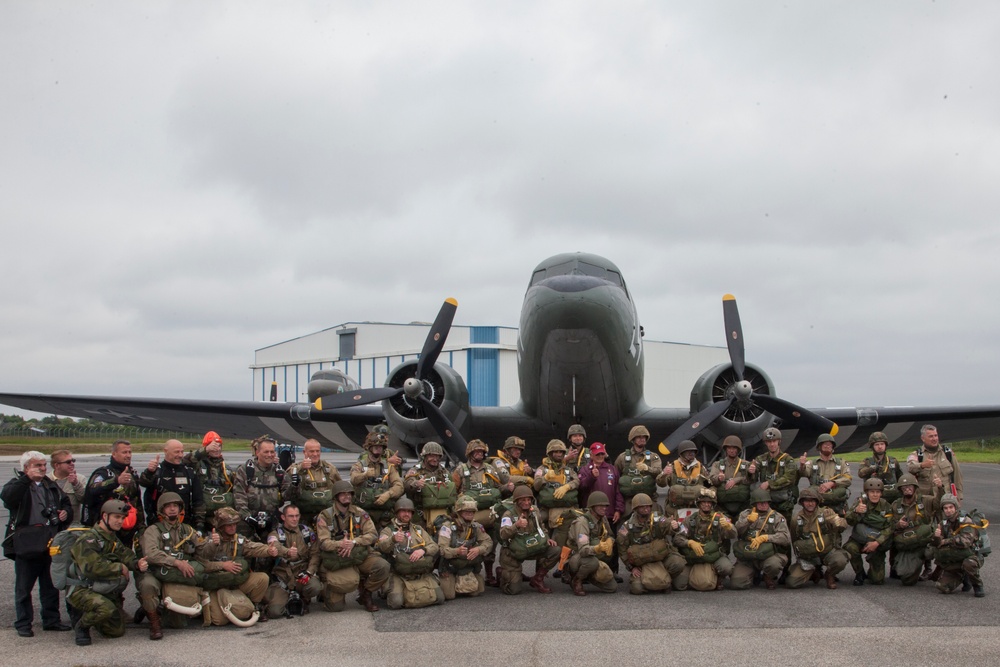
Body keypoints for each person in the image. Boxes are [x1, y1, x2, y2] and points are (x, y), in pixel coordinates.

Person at [2, 451, 72, 637]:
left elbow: (66, 503)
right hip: (27, 543)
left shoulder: (51, 485)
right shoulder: (16, 484)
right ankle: (23, 623)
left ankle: (51, 620)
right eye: (37, 465)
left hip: (49, 541)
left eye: (43, 465)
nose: (42, 468)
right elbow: (8, 498)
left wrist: (65, 513)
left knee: (50, 585)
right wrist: (26, 479)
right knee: (24, 587)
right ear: (26, 468)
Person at [68, 499, 150, 646]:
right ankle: (82, 626)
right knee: (105, 609)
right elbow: (92, 568)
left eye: (122, 518)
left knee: (115, 632)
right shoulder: (88, 540)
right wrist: (120, 568)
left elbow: (125, 554)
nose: (120, 521)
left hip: (101, 587)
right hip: (82, 589)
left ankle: (97, 614)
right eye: (116, 517)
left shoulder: (111, 538)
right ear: (105, 516)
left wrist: (136, 564)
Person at [137, 492, 210, 640]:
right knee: (147, 585)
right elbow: (151, 554)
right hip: (157, 571)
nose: (172, 509)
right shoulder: (153, 530)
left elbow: (202, 551)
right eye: (168, 506)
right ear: (161, 510)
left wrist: (213, 543)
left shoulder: (187, 530)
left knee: (179, 624)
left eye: (175, 506)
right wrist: (176, 562)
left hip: (177, 573)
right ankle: (154, 621)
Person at [316, 481, 390, 612]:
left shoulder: (360, 513)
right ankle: (327, 588)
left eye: (349, 494)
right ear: (335, 497)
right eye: (343, 494)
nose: (347, 497)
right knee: (335, 607)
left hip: (359, 555)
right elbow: (323, 542)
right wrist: (340, 544)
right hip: (339, 558)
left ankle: (366, 594)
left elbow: (372, 535)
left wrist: (354, 542)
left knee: (383, 566)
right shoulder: (325, 516)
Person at [198, 506, 280, 622]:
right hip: (216, 585)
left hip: (236, 582)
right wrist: (222, 565)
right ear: (221, 526)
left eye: (235, 524)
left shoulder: (239, 540)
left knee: (262, 578)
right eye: (229, 525)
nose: (233, 528)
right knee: (219, 620)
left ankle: (254, 606)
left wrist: (268, 550)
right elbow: (201, 563)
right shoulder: (210, 540)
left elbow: (253, 547)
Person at [452, 439, 508, 587]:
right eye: (476, 451)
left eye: (481, 452)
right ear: (470, 453)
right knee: (467, 543)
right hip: (469, 515)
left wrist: (508, 487)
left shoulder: (490, 469)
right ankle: (467, 572)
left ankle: (489, 574)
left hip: (490, 511)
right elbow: (453, 491)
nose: (479, 454)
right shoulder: (460, 470)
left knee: (491, 543)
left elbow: (499, 488)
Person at [376, 497, 443, 609]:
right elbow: (380, 547)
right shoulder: (388, 530)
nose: (406, 514)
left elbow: (434, 546)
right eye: (403, 511)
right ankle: (387, 589)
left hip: (420, 572)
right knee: (396, 603)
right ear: (397, 512)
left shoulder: (419, 529)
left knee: (440, 598)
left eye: (409, 511)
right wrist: (392, 539)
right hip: (399, 574)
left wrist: (423, 550)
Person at [496, 485, 560, 595]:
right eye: (523, 500)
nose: (527, 502)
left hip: (531, 545)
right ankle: (502, 572)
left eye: (529, 500)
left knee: (556, 550)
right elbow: (503, 534)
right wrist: (516, 525)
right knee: (513, 590)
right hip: (513, 551)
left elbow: (541, 527)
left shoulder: (534, 511)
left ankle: (537, 579)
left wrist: (547, 538)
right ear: (517, 501)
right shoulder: (509, 514)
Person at [616, 492, 685, 594]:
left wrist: (674, 526)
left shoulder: (657, 518)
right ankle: (656, 583)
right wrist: (632, 568)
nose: (646, 509)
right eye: (642, 507)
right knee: (637, 589)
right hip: (642, 562)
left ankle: (665, 580)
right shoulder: (627, 526)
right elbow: (622, 547)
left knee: (678, 563)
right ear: (635, 509)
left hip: (661, 557)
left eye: (648, 506)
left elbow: (666, 525)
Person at [82, 439, 145, 547]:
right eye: (124, 452)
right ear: (114, 454)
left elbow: (136, 500)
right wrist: (116, 481)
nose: (128, 455)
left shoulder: (132, 474)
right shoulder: (103, 473)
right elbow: (92, 489)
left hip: (127, 530)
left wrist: (141, 526)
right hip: (106, 530)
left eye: (130, 452)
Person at [264, 502, 322, 618]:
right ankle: (286, 599)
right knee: (274, 612)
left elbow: (315, 554)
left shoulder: (307, 532)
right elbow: (274, 545)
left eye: (297, 516)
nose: (295, 519)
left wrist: (310, 572)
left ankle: (303, 598)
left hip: (301, 574)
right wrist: (287, 552)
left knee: (315, 587)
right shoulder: (275, 533)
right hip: (283, 578)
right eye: (291, 516)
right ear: (283, 517)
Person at [785, 487, 849, 590]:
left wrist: (836, 522)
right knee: (792, 583)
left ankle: (830, 574)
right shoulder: (796, 519)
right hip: (809, 555)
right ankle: (814, 571)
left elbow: (843, 525)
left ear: (817, 502)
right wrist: (801, 558)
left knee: (840, 560)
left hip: (827, 551)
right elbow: (794, 540)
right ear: (802, 502)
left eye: (813, 501)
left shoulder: (826, 512)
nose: (810, 504)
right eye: (807, 501)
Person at [673, 488, 736, 591]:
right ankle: (696, 573)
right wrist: (689, 542)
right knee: (679, 584)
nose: (706, 505)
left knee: (727, 568)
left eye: (709, 502)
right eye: (703, 502)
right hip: (694, 556)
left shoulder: (720, 517)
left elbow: (733, 535)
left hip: (715, 554)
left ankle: (717, 577)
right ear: (698, 504)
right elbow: (678, 538)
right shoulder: (690, 520)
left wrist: (729, 527)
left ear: (713, 504)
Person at [139, 439, 206, 531]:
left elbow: (198, 501)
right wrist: (150, 472)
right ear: (166, 451)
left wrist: (199, 525)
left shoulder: (189, 473)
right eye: (176, 452)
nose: (180, 455)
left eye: (182, 452)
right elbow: (143, 483)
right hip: (160, 526)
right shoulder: (157, 472)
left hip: (185, 525)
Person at [731, 488, 791, 590]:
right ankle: (753, 574)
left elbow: (786, 538)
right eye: (760, 503)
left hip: (768, 554)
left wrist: (766, 537)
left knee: (774, 564)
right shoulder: (745, 514)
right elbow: (735, 532)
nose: (763, 505)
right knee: (737, 583)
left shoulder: (777, 517)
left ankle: (768, 576)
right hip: (748, 555)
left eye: (766, 502)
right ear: (754, 503)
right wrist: (747, 521)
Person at [437, 496, 494, 600]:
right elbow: (441, 549)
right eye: (466, 511)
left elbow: (488, 542)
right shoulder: (447, 527)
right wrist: (457, 551)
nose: (470, 513)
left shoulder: (476, 526)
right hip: (451, 567)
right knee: (449, 595)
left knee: (477, 591)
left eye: (472, 511)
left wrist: (479, 549)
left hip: (467, 566)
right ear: (459, 512)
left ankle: (466, 578)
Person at [932, 493, 986, 597]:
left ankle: (977, 585)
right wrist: (936, 537)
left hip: (971, 555)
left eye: (951, 507)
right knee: (942, 587)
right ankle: (963, 576)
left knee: (968, 564)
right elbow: (936, 544)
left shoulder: (966, 521)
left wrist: (945, 541)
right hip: (955, 556)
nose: (948, 510)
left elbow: (965, 541)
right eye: (945, 508)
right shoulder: (943, 523)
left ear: (956, 507)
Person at [564, 491, 618, 596]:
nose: (604, 508)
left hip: (593, 556)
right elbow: (583, 550)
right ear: (592, 507)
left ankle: (589, 575)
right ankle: (576, 580)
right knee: (591, 562)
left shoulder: (603, 518)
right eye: (600, 506)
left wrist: (610, 541)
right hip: (577, 557)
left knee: (612, 588)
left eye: (605, 506)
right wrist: (597, 548)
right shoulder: (582, 522)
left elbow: (610, 535)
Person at [888, 473, 938, 586]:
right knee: (907, 580)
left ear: (915, 487)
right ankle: (902, 565)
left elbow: (939, 504)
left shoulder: (925, 500)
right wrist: (898, 525)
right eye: (904, 487)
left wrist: (939, 488)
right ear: (900, 490)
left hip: (925, 540)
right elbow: (889, 524)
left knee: (939, 547)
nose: (907, 489)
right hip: (909, 542)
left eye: (910, 486)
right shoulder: (896, 505)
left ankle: (934, 569)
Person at [233, 435, 285, 539]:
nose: (270, 455)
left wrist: (296, 485)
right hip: (247, 522)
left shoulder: (279, 472)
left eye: (272, 452)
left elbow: (288, 496)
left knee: (273, 550)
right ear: (257, 453)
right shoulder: (245, 471)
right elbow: (239, 496)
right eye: (266, 452)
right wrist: (247, 517)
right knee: (244, 549)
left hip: (271, 522)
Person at [350, 431, 404, 530]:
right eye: (375, 446)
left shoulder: (389, 467)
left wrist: (388, 494)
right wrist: (364, 475)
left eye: (380, 446)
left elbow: (399, 486)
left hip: (385, 515)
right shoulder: (359, 465)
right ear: (369, 447)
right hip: (363, 513)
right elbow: (353, 479)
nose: (378, 448)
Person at [282, 438, 342, 527]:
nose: (315, 454)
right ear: (304, 452)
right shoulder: (295, 469)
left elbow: (341, 490)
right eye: (311, 451)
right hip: (303, 517)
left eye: (317, 451)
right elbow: (285, 494)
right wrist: (301, 469)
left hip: (326, 516)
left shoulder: (330, 469)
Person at [844, 478, 893, 586]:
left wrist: (876, 543)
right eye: (872, 492)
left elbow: (890, 527)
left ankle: (872, 565)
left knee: (877, 580)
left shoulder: (886, 506)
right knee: (850, 548)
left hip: (876, 541)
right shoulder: (860, 502)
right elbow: (849, 520)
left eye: (877, 492)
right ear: (867, 492)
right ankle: (859, 573)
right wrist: (856, 511)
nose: (875, 495)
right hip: (859, 539)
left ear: (881, 493)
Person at [748, 427, 799, 527]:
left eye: (774, 441)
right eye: (769, 441)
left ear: (779, 441)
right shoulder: (761, 459)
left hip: (783, 503)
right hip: (766, 504)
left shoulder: (788, 460)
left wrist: (769, 483)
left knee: (784, 529)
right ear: (765, 443)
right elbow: (752, 479)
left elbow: (789, 478)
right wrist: (751, 472)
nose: (772, 444)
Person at [185, 431, 235, 529]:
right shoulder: (198, 465)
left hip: (222, 515)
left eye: (219, 446)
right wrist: (205, 450)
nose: (216, 449)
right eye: (213, 446)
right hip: (201, 516)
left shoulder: (226, 469)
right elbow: (186, 460)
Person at [403, 441, 456, 531]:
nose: (435, 459)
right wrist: (416, 484)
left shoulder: (444, 472)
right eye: (431, 456)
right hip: (421, 511)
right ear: (425, 456)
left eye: (437, 456)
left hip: (441, 510)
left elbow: (453, 490)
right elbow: (407, 483)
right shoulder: (416, 470)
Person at [906, 424, 963, 504]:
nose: (934, 439)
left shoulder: (947, 453)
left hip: (945, 499)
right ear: (923, 438)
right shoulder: (917, 455)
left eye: (936, 435)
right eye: (931, 436)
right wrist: (922, 465)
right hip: (925, 501)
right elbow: (909, 467)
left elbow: (957, 476)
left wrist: (959, 496)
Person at [799, 434, 852, 516]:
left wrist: (832, 483)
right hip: (818, 503)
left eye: (829, 444)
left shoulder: (841, 463)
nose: (827, 446)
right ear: (819, 446)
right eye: (824, 444)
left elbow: (848, 479)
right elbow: (804, 473)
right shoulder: (812, 463)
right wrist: (802, 465)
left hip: (836, 502)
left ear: (833, 446)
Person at [533, 439, 580, 530]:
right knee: (536, 521)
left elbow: (577, 481)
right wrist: (545, 478)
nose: (559, 454)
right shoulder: (541, 469)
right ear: (550, 453)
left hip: (565, 506)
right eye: (556, 452)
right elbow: (536, 486)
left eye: (561, 452)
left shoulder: (568, 470)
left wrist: (567, 486)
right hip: (547, 507)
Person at [615, 425, 663, 514]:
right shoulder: (623, 457)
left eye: (644, 437)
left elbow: (659, 472)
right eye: (639, 437)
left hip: (649, 500)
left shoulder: (653, 457)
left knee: (655, 522)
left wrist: (647, 469)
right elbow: (615, 477)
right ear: (633, 439)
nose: (642, 439)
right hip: (629, 501)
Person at [657, 440, 709, 514]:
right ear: (681, 453)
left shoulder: (701, 468)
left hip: (695, 508)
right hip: (675, 509)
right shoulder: (672, 467)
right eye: (688, 451)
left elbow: (710, 485)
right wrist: (664, 474)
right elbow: (661, 484)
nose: (691, 453)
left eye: (693, 451)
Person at [577, 443, 625, 524]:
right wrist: (592, 476)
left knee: (610, 536)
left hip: (610, 514)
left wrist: (618, 510)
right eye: (597, 454)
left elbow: (618, 491)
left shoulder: (612, 469)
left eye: (602, 453)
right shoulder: (584, 470)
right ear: (591, 455)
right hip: (591, 515)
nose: (600, 456)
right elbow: (582, 488)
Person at [709, 435, 752, 519]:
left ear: (738, 450)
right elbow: (712, 478)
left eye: (734, 448)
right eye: (729, 448)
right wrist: (719, 478)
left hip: (743, 505)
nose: (732, 451)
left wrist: (737, 480)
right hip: (722, 505)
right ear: (726, 449)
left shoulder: (746, 464)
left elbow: (751, 480)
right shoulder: (717, 464)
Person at [857, 432, 903, 504]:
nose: (880, 447)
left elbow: (900, 477)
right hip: (875, 496)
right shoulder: (867, 461)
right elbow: (861, 474)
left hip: (893, 495)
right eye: (877, 444)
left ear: (885, 445)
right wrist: (872, 468)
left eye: (882, 444)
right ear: (872, 447)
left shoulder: (893, 461)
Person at [48, 450, 86, 525]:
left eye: (73, 461)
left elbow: (84, 500)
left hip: (72, 526)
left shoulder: (80, 479)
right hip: (50, 525)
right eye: (68, 462)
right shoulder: (46, 480)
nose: (72, 464)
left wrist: (76, 484)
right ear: (57, 465)